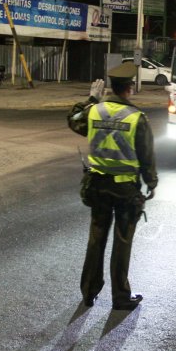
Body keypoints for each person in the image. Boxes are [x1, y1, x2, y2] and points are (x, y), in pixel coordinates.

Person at [67, 62, 158, 311]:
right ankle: (120, 297)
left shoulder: (94, 111)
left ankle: (88, 292)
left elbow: (73, 121)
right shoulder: (136, 118)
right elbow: (146, 155)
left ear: (111, 87)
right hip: (125, 189)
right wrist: (151, 182)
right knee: (122, 241)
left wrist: (89, 99)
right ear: (129, 88)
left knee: (96, 240)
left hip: (97, 186)